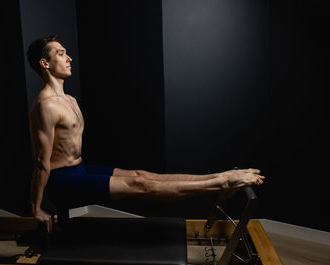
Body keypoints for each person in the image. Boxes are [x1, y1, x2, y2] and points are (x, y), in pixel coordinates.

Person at [27, 35, 264, 232]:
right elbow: (41, 163)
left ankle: (220, 177)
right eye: (60, 53)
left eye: (66, 52)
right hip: (62, 181)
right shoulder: (46, 106)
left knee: (142, 174)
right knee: (140, 184)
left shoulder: (69, 99)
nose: (68, 58)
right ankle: (223, 183)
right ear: (44, 63)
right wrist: (36, 207)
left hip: (78, 168)